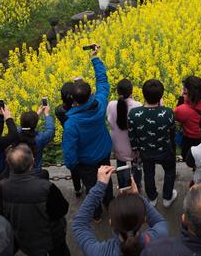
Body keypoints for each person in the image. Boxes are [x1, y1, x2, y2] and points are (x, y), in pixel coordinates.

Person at [0, 145, 79, 256]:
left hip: (24, 236)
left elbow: (2, 212)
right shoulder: (45, 187)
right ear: (32, 162)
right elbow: (61, 209)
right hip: (51, 235)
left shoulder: (0, 187)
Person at [62, 45, 113, 220]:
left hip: (86, 163)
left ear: (73, 101)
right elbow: (103, 82)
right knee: (108, 181)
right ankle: (110, 205)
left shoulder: (71, 124)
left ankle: (97, 214)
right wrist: (95, 58)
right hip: (103, 154)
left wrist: (73, 166)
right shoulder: (99, 104)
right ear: (90, 94)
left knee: (92, 188)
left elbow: (69, 152)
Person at [128, 78, 178, 207]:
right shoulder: (168, 113)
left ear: (143, 95)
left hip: (146, 152)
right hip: (165, 150)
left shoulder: (133, 114)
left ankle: (152, 198)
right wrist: (172, 146)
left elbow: (132, 135)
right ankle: (167, 198)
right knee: (170, 172)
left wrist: (136, 149)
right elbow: (172, 133)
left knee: (149, 174)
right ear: (161, 96)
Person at [107, 79, 142, 188]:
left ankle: (123, 186)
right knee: (136, 166)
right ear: (131, 92)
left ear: (117, 92)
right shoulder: (138, 106)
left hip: (118, 146)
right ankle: (137, 185)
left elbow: (110, 121)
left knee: (121, 165)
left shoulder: (111, 105)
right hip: (134, 147)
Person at [174, 75, 201, 161]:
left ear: (189, 93)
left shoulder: (183, 110)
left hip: (191, 142)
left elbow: (177, 115)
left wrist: (182, 97)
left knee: (191, 160)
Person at [55, 81, 84, 198]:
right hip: (81, 136)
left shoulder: (58, 110)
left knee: (74, 166)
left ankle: (77, 189)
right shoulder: (79, 110)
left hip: (68, 137)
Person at [18, 104, 56, 170]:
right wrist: (47, 114)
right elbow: (50, 131)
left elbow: (24, 126)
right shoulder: (40, 138)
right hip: (35, 172)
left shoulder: (16, 134)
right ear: (34, 124)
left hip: (18, 171)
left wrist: (36, 115)